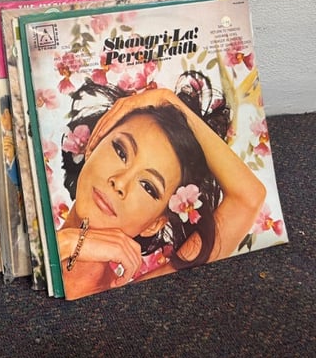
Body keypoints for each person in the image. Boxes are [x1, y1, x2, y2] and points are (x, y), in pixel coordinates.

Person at [54, 72, 266, 300]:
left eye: (148, 186)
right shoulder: (27, 243)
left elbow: (248, 197)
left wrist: (166, 99)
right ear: (94, 145)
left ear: (154, 224)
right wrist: (64, 244)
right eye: (121, 151)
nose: (120, 182)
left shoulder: (131, 300)